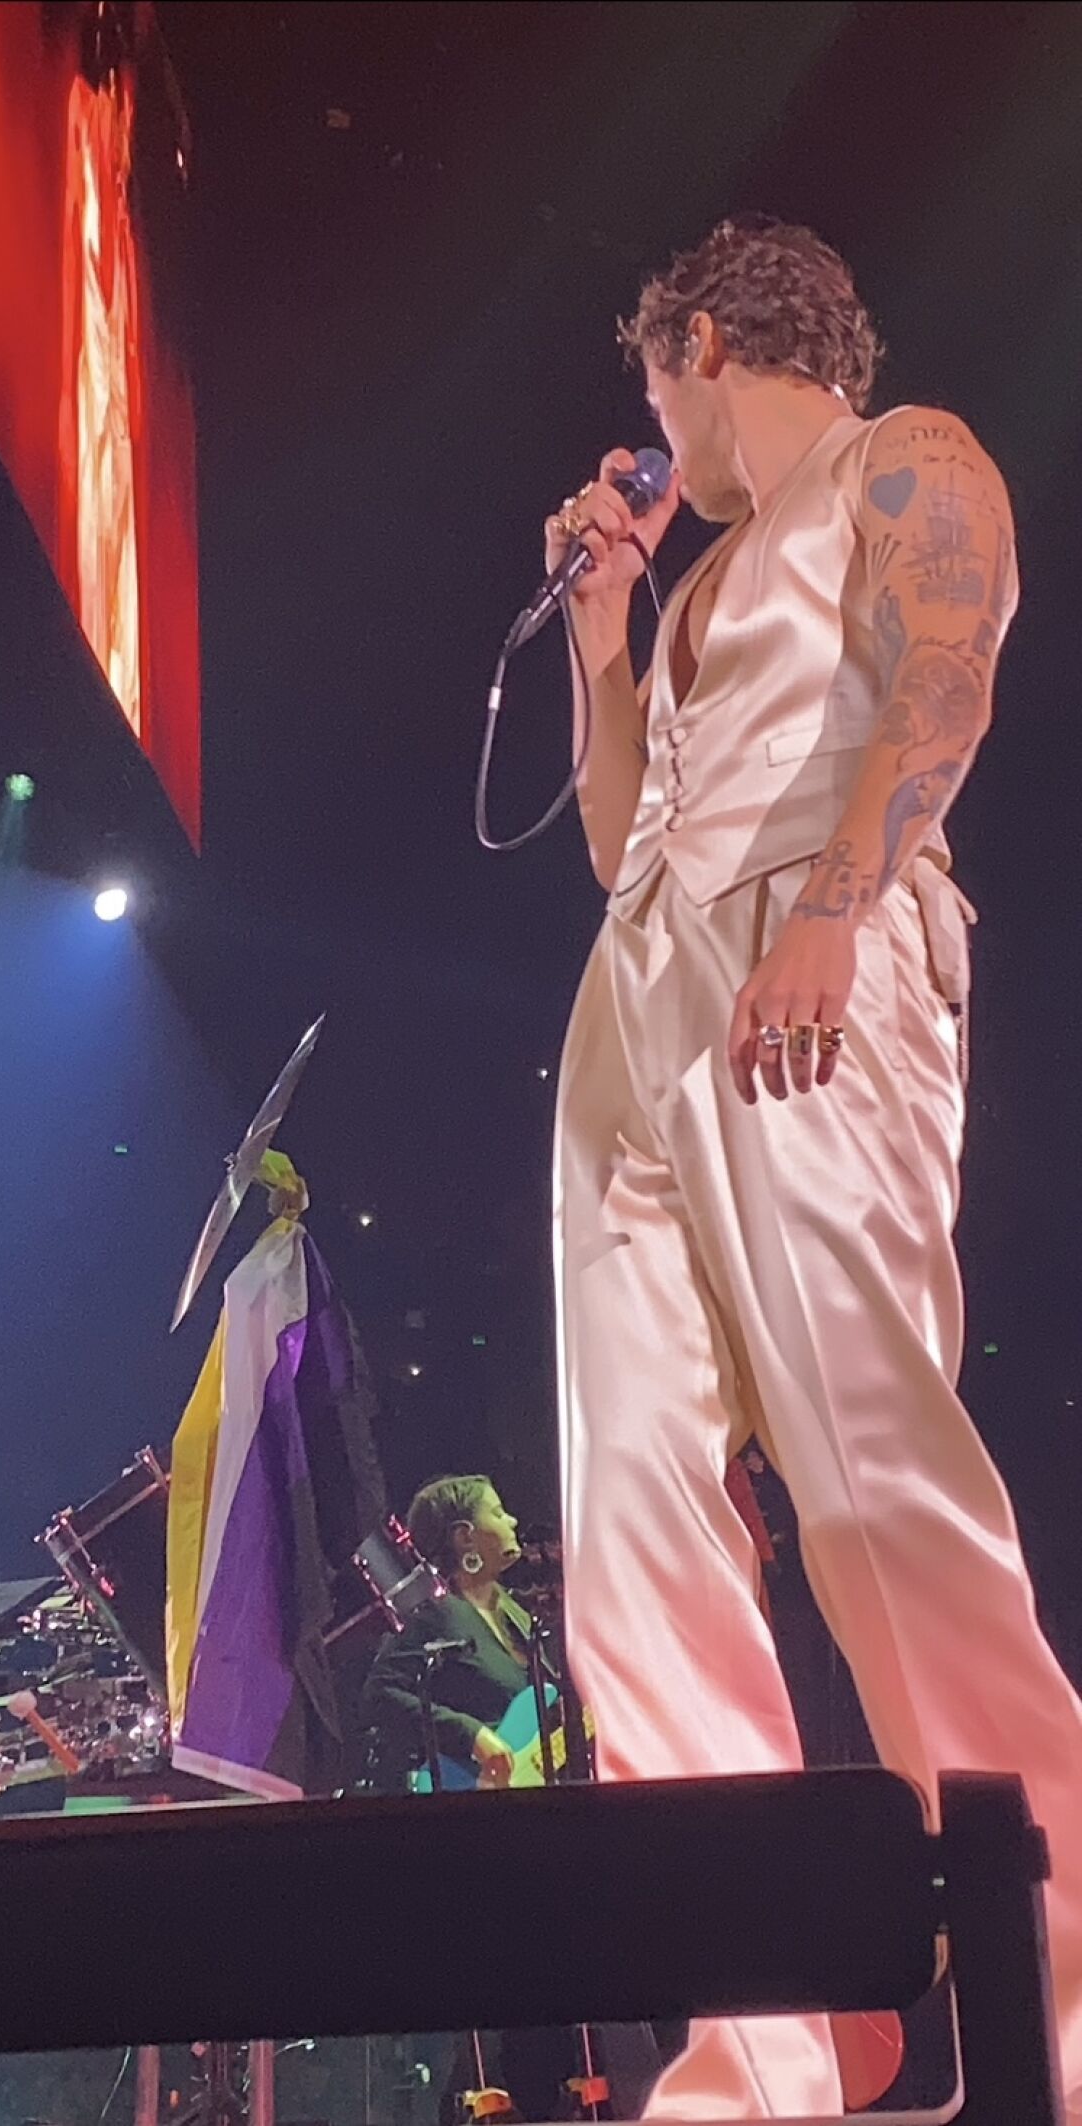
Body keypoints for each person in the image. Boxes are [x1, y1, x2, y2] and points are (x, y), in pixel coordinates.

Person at [549, 215, 1082, 2119]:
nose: (656, 440)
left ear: (695, 342)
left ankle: (1073, 1990)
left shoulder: (907, 457)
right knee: (631, 1514)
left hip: (810, 958)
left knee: (870, 1481)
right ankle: (763, 2035)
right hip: (641, 1003)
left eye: (654, 396)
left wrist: (839, 906)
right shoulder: (689, 588)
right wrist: (611, 644)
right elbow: (624, 836)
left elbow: (945, 679)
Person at [364, 1474, 530, 1791]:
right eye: (497, 1513)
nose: (512, 1520)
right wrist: (471, 1735)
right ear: (464, 1537)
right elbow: (380, 1694)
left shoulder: (515, 1614)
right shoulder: (437, 1615)